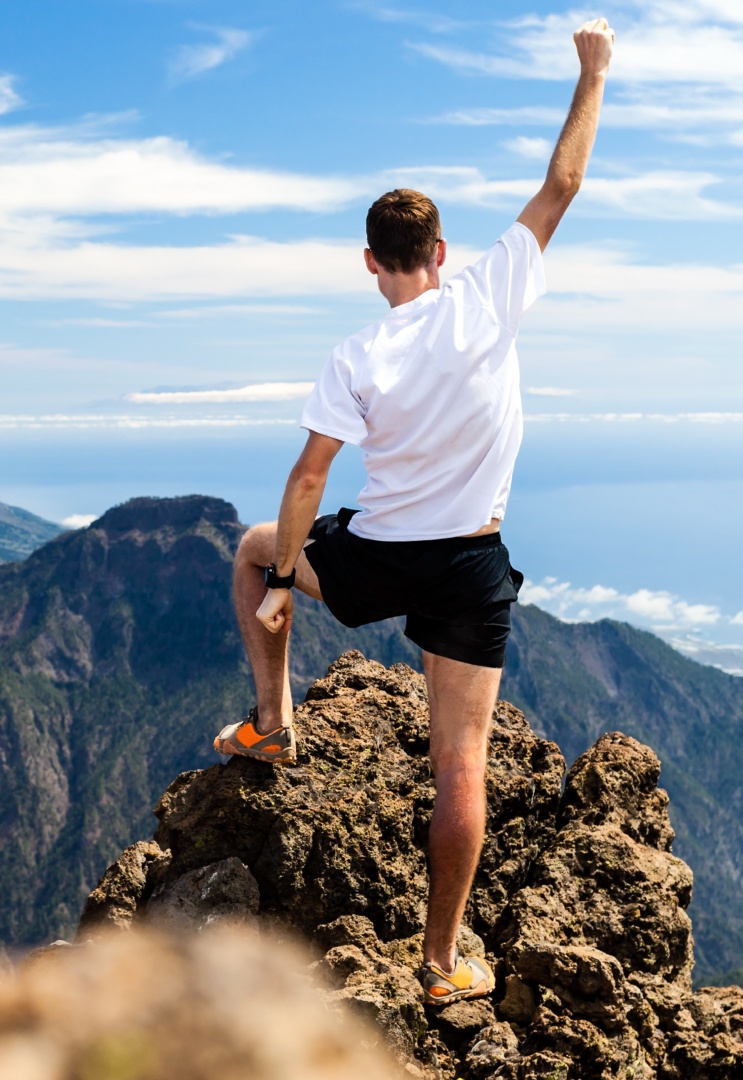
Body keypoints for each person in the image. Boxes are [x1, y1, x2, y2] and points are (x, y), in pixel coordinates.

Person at [215, 18, 615, 1005]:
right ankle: (440, 966)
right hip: (469, 567)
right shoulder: (489, 295)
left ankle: (273, 721)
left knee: (252, 544)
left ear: (370, 263)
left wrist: (277, 581)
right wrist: (594, 70)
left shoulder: (358, 355)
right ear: (440, 249)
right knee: (461, 770)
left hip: (376, 556)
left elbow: (309, 482)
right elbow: (562, 185)